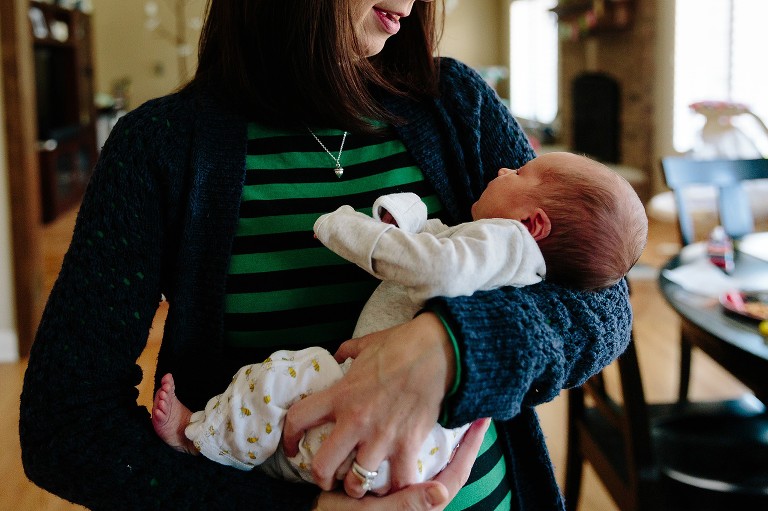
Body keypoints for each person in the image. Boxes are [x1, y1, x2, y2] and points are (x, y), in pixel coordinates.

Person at [19, 1, 636, 510]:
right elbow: (65, 427)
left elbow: (605, 301)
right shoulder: (158, 148)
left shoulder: (456, 103)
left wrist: (450, 350)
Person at [151, 153, 645, 496]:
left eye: (520, 172)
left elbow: (441, 266)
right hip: (421, 457)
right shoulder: (511, 253)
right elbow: (442, 244)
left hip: (387, 435)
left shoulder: (507, 239)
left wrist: (347, 228)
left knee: (280, 378)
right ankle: (260, 463)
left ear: (534, 224)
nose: (503, 167)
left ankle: (202, 437)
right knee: (294, 435)